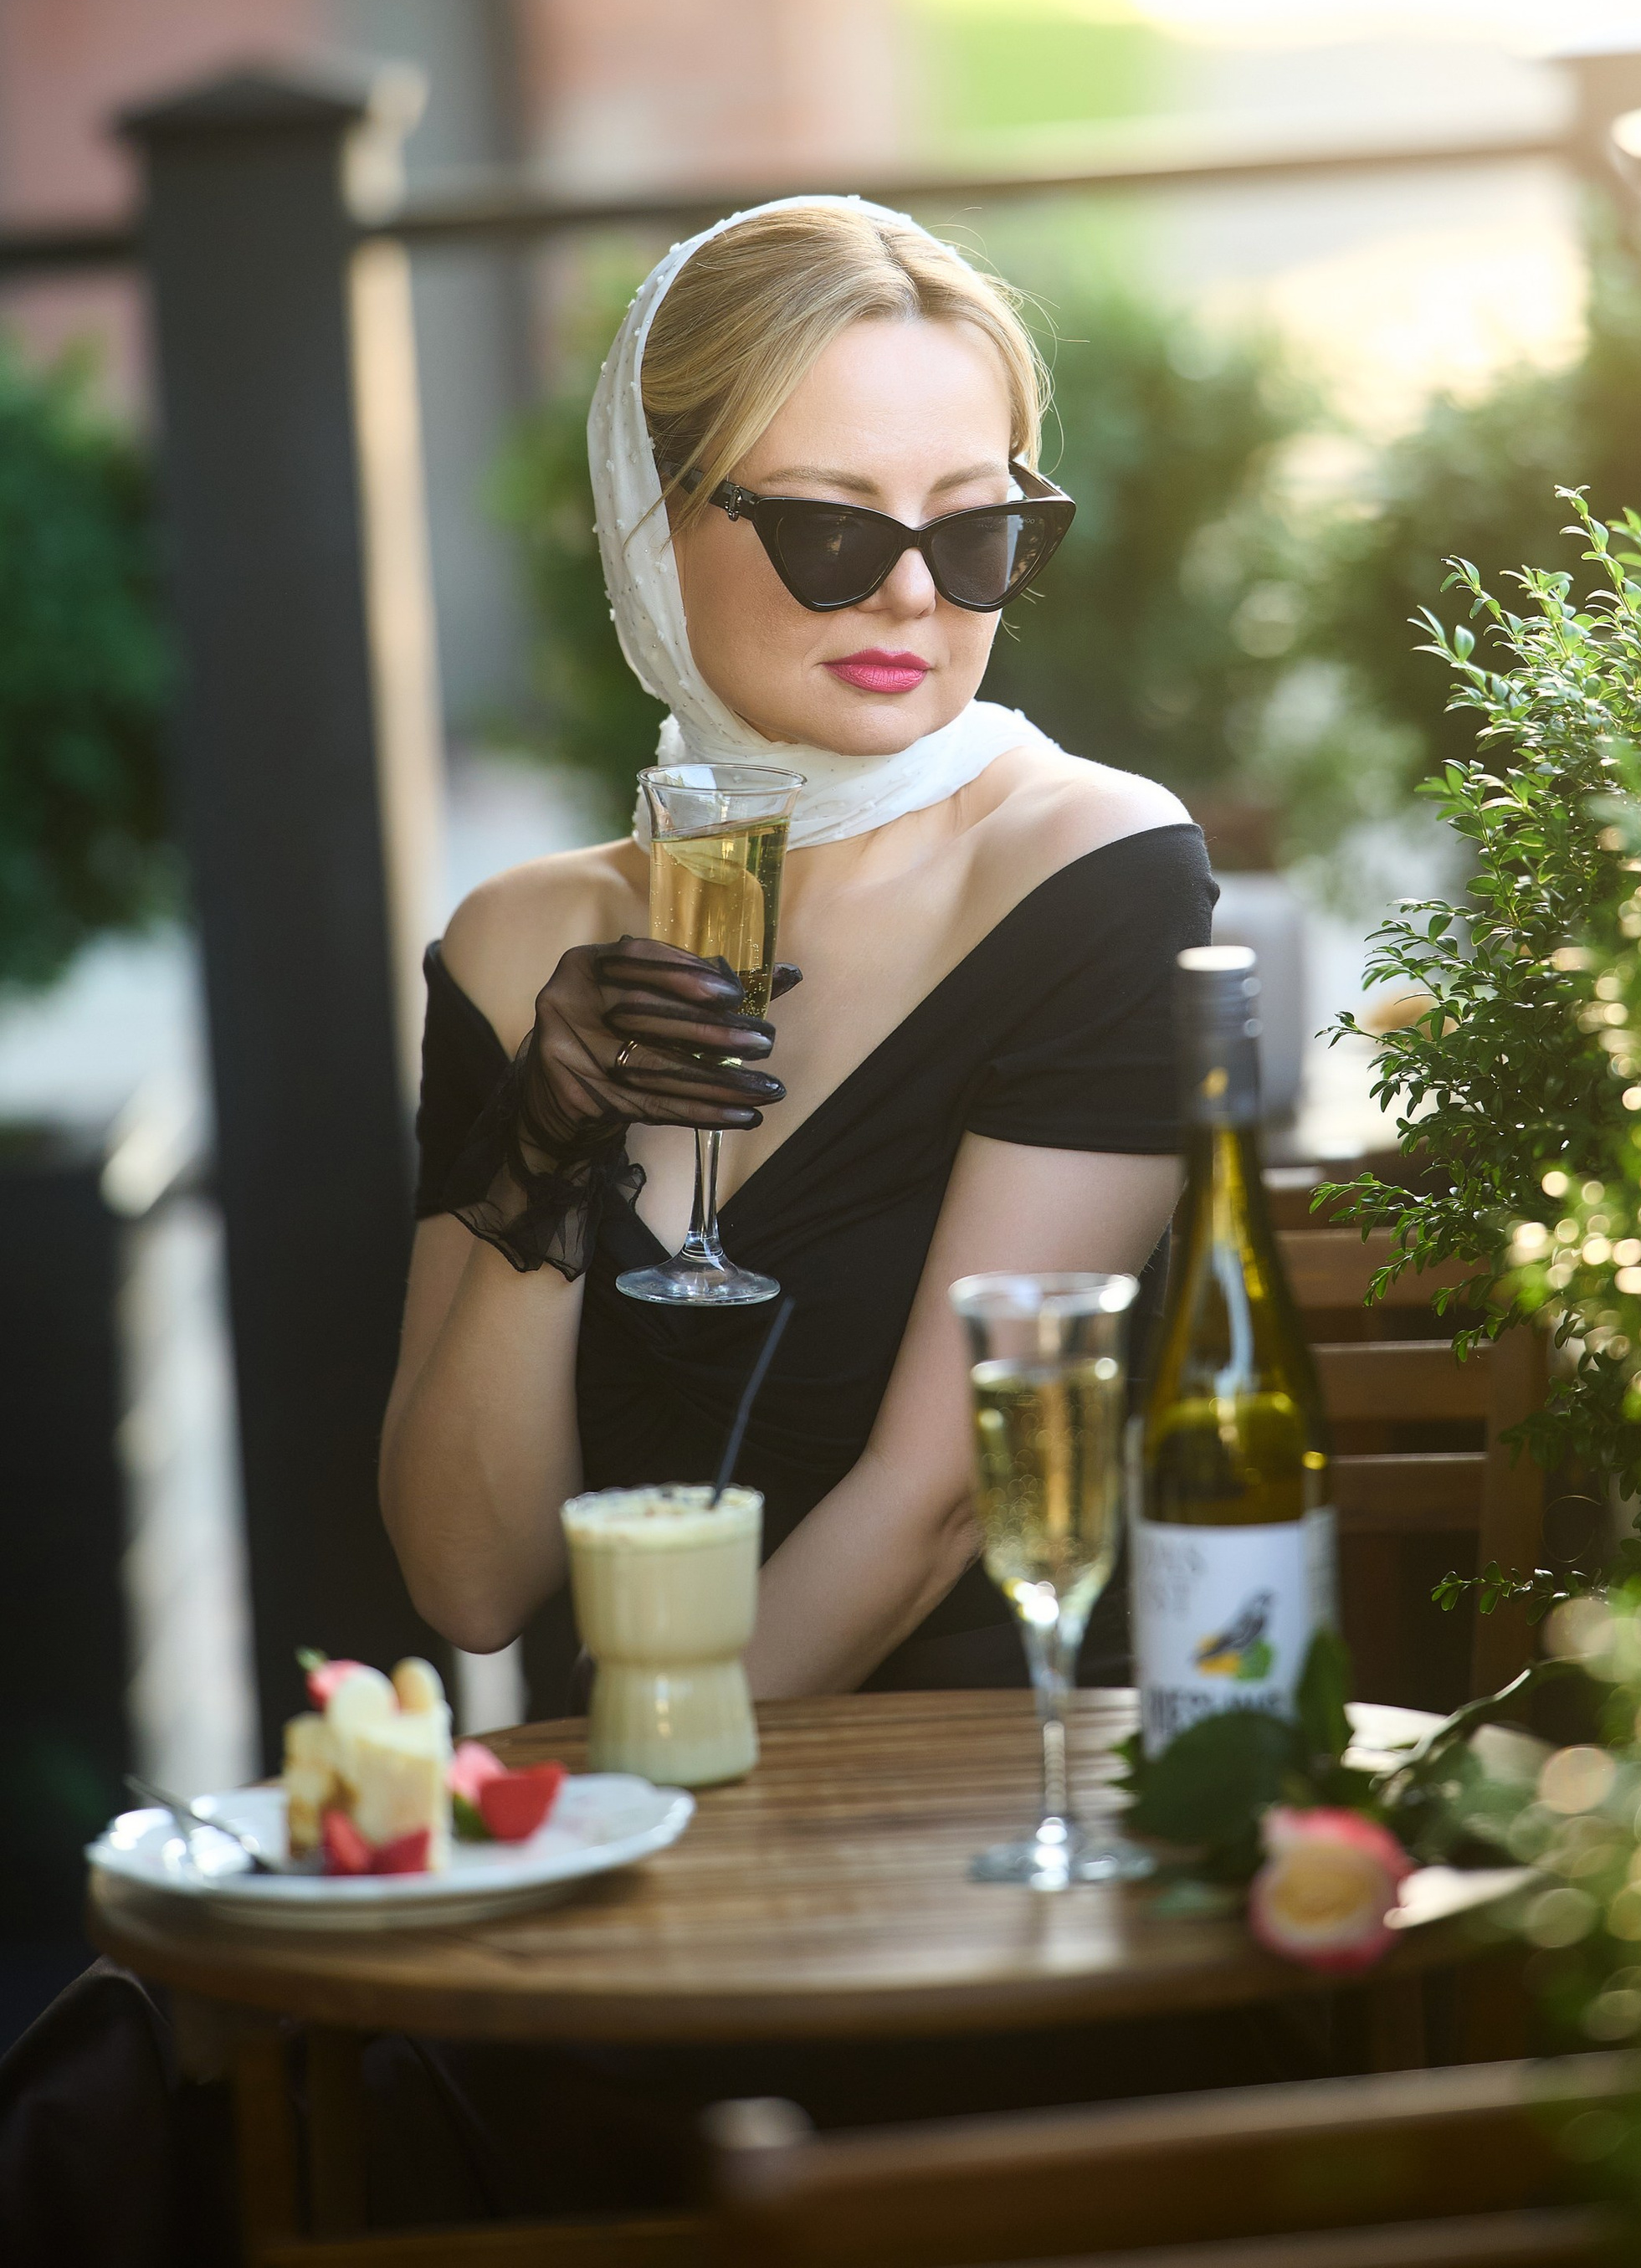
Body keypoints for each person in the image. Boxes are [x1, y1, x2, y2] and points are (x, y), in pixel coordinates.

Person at [381, 195, 1214, 1695]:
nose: (912, 591)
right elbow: (470, 1580)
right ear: (651, 521)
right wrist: (546, 1150)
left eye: (977, 532)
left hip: (976, 1799)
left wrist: (652, 1788)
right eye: (835, 530)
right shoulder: (521, 939)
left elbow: (944, 1502)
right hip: (631, 1829)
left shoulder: (1088, 867)